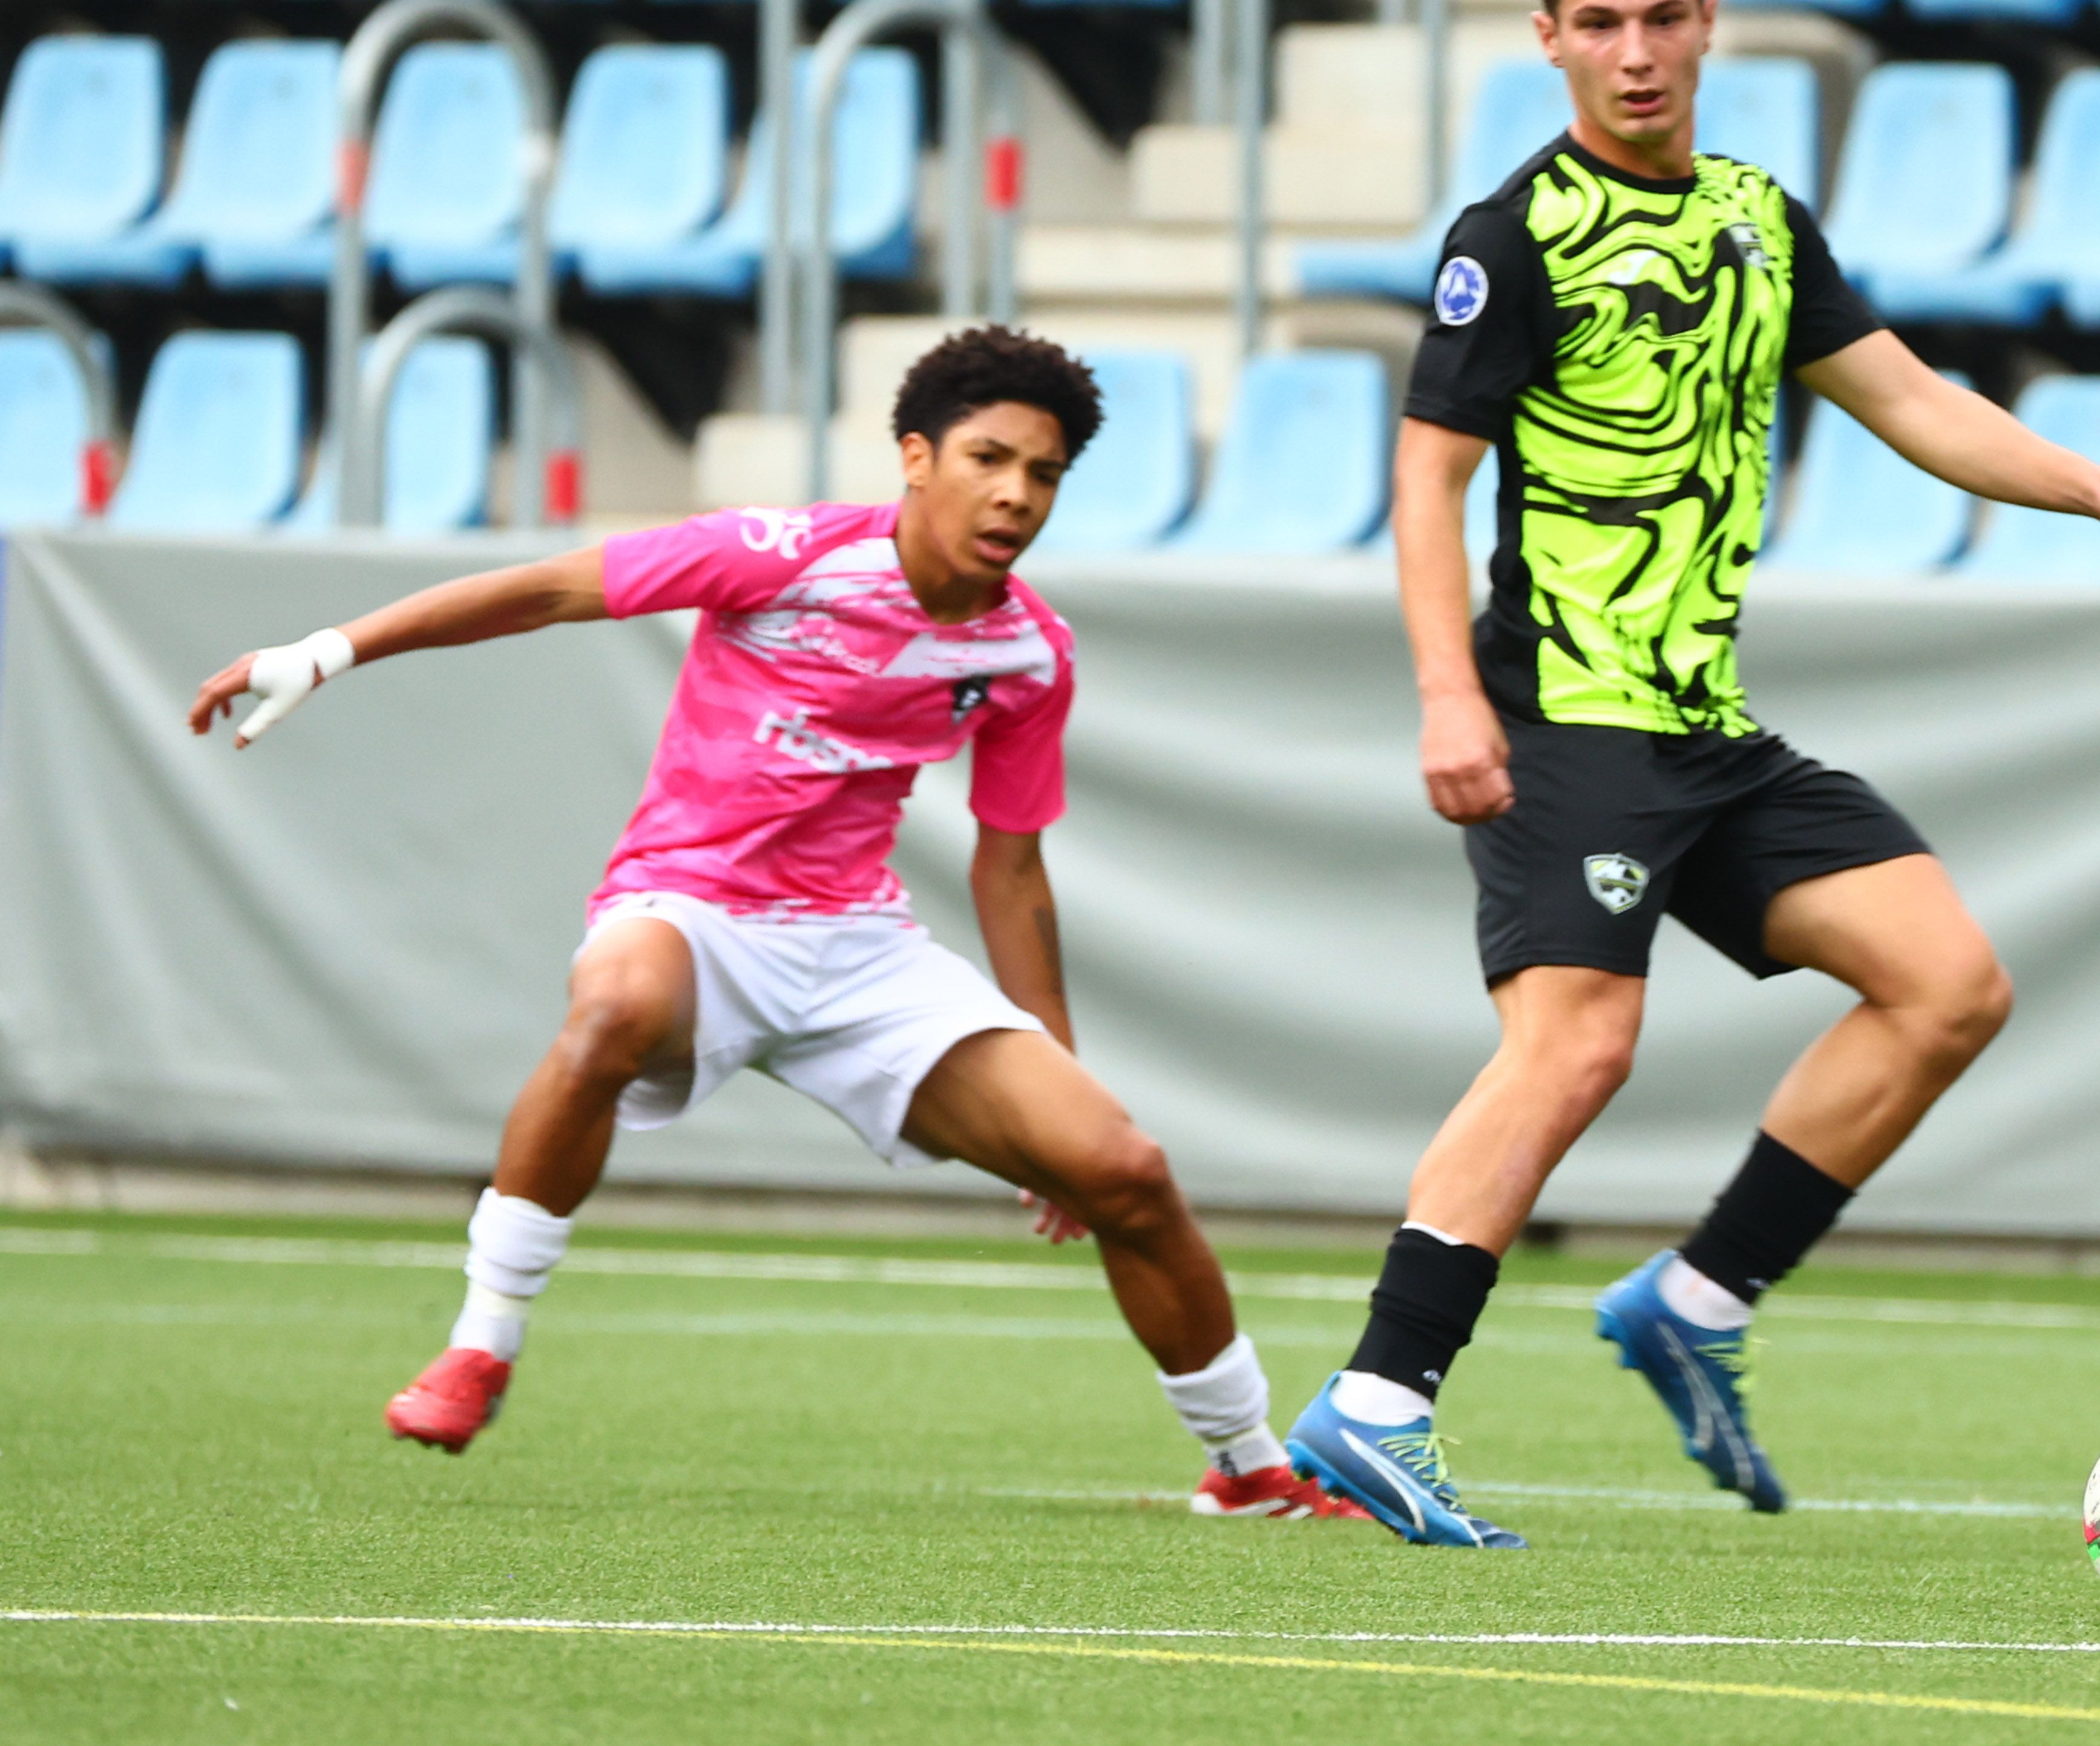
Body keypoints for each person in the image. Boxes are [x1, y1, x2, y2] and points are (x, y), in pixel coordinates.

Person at [1279, 0, 2100, 1548]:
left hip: (1701, 723)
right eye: (1601, 24)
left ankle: (1699, 1303)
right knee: (1577, 1043)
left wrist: (2098, 489)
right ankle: (1376, 1401)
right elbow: (1425, 481)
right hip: (1564, 709)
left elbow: (1911, 400)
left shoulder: (1760, 222)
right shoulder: (1511, 238)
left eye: (1663, 18)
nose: (1636, 53)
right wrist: (1443, 696)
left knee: (1945, 984)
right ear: (1550, 40)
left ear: (1707, 24)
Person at [185, 326, 1363, 1524]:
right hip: (689, 910)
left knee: (1126, 1170)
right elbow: (544, 589)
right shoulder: (779, 553)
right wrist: (326, 651)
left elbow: (1013, 871)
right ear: (917, 456)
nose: (1015, 492)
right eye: (989, 457)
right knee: (615, 1007)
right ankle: (481, 1341)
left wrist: (1055, 1070)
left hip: (858, 947)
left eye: (1044, 473)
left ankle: (1248, 1463)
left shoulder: (1028, 651)